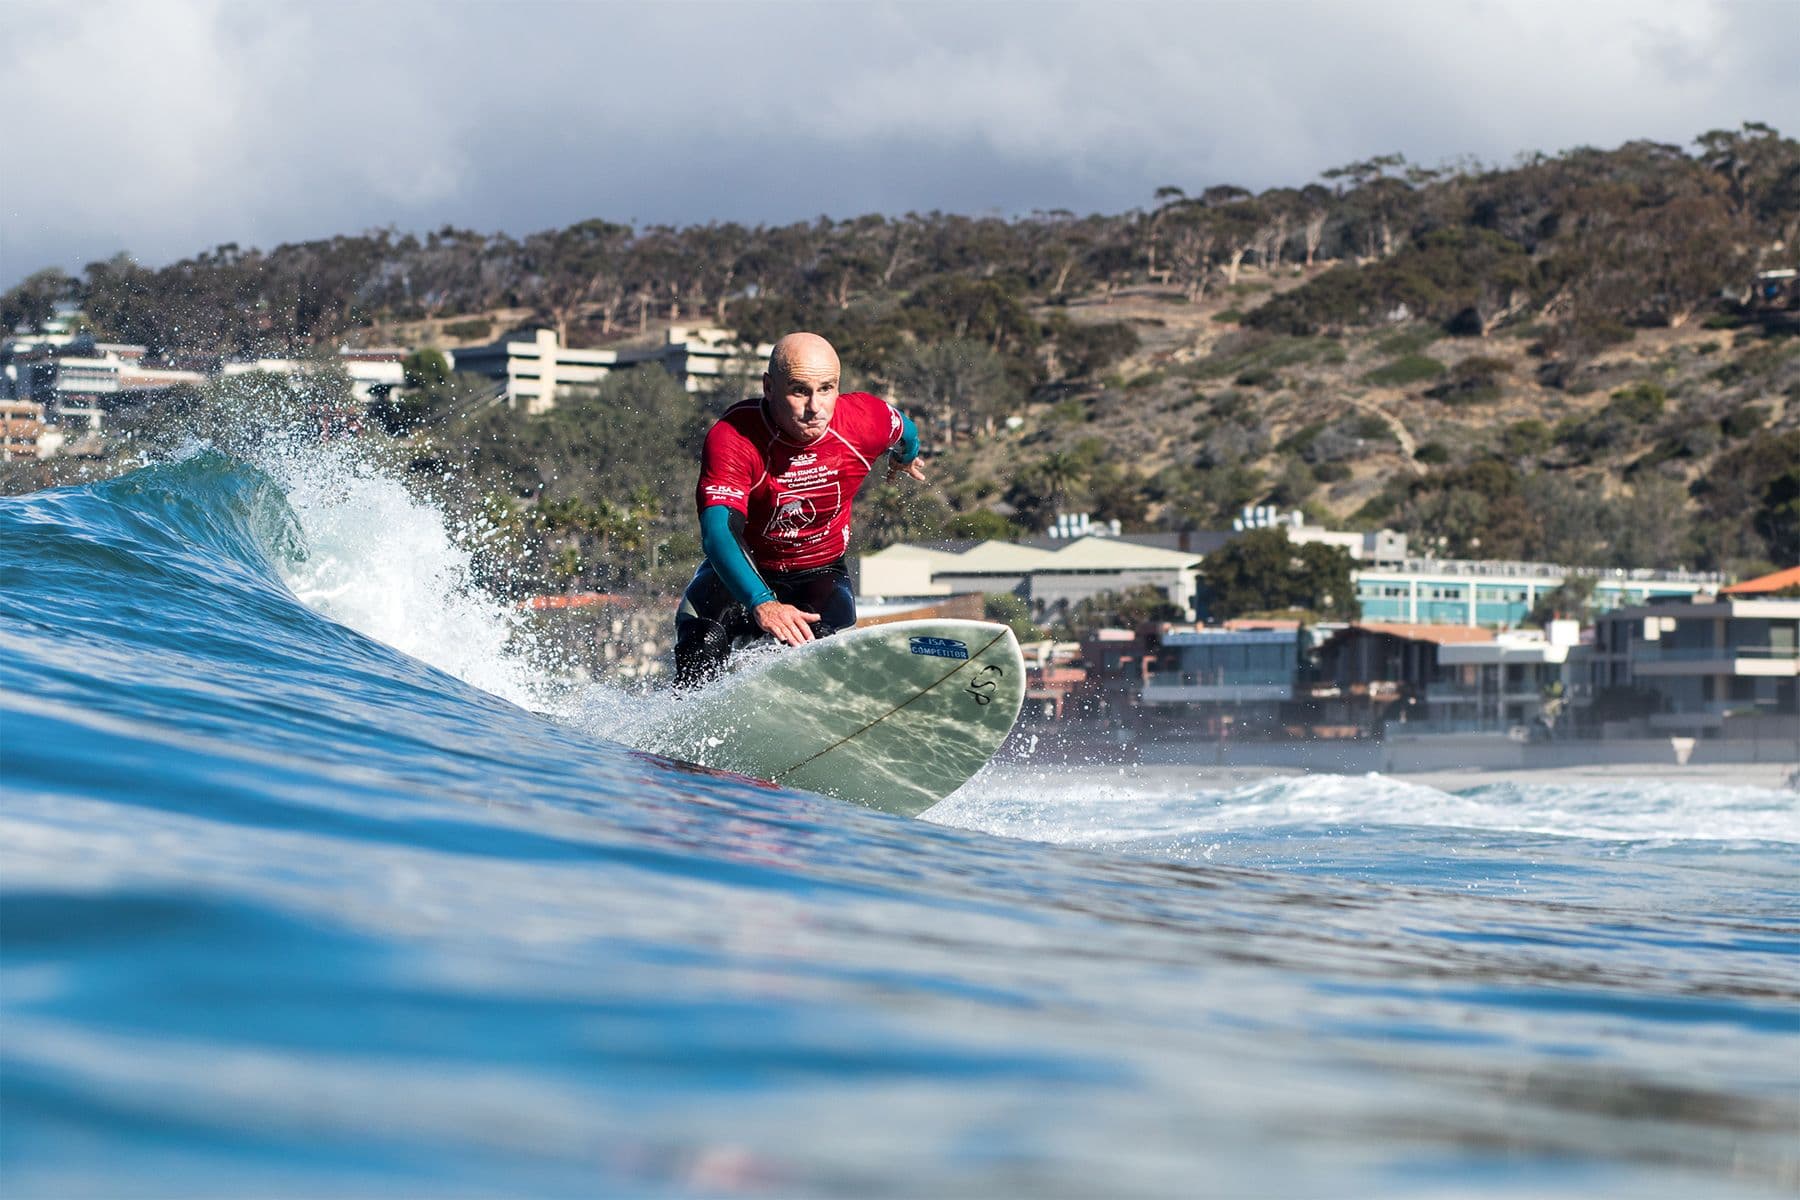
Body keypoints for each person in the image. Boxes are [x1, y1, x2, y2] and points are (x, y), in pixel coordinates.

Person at [673, 332, 927, 687]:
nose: (816, 407)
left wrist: (905, 458)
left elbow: (907, 431)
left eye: (827, 388)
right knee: (701, 641)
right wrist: (763, 602)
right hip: (743, 572)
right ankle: (685, 727)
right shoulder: (735, 436)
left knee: (814, 644)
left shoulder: (864, 420)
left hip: (819, 574)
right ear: (769, 387)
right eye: (799, 391)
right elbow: (718, 534)